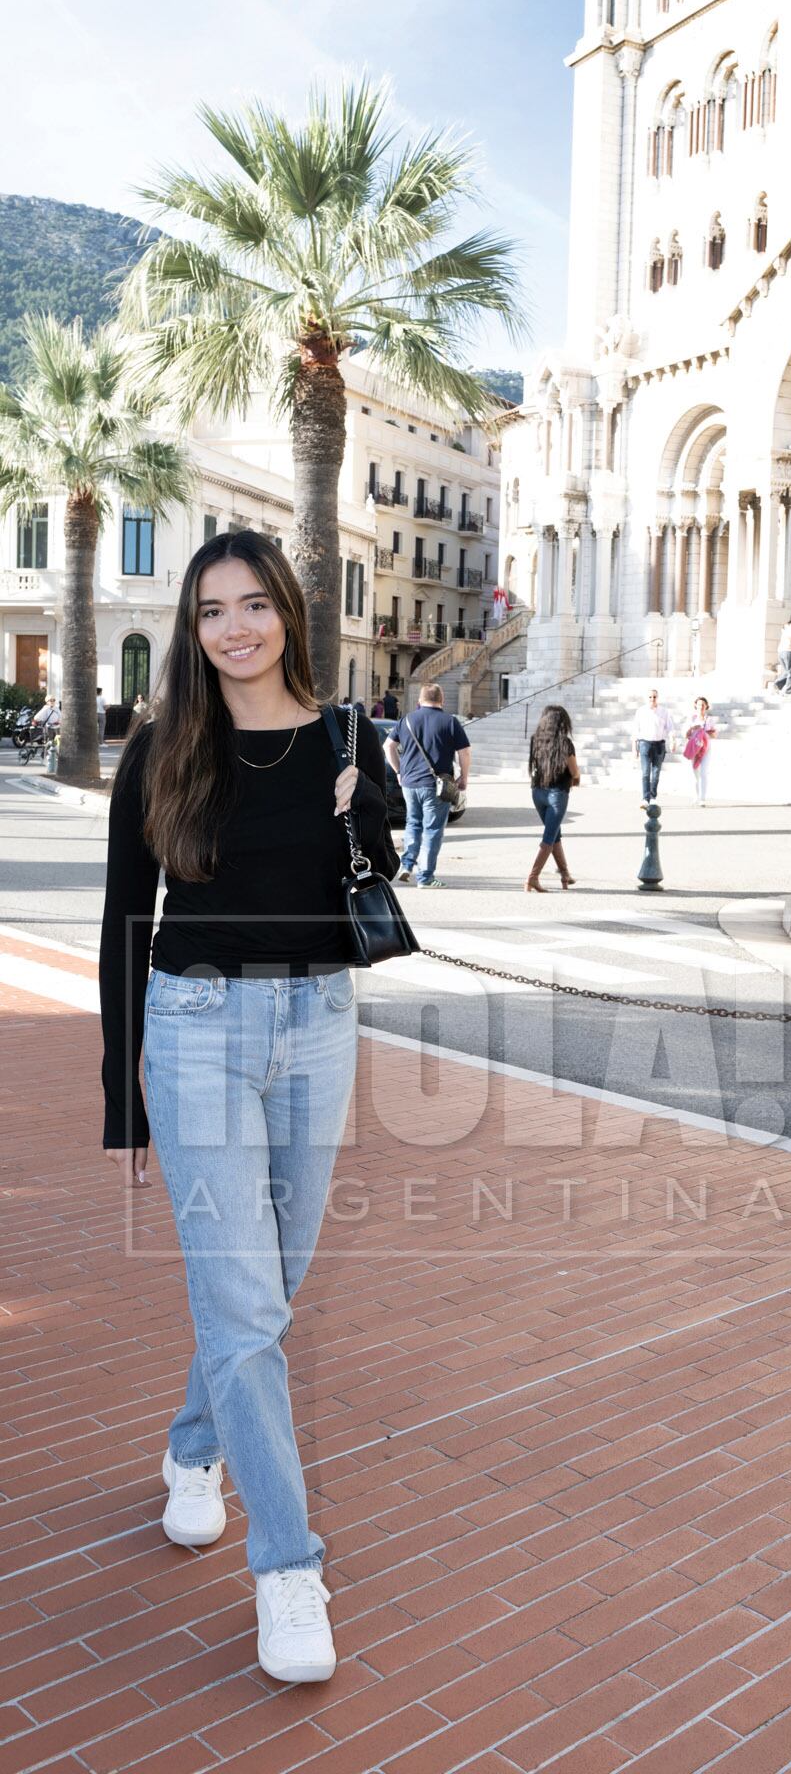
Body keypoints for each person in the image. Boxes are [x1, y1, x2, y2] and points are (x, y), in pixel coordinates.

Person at [98, 528, 398, 1686]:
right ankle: (287, 1565)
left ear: (287, 614)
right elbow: (128, 916)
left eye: (255, 603)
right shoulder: (164, 746)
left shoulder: (343, 733)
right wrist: (125, 1107)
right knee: (243, 1303)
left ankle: (191, 1451)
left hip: (319, 1026)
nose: (236, 626)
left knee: (264, 1295)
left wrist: (363, 801)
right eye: (214, 608)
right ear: (194, 624)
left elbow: (370, 879)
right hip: (194, 1034)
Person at [385, 685, 470, 890]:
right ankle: (425, 877)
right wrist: (463, 778)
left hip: (409, 783)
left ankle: (407, 864)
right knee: (432, 829)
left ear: (419, 701)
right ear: (442, 700)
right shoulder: (450, 721)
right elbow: (464, 753)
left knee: (413, 823)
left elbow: (388, 746)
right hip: (436, 785)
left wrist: (398, 771)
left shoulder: (406, 720)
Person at [527, 705, 579, 890]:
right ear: (563, 723)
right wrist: (577, 779)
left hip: (538, 792)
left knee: (555, 833)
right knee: (549, 836)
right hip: (557, 794)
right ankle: (533, 877)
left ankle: (565, 875)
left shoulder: (536, 740)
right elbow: (574, 771)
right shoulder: (565, 744)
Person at [632, 687, 674, 808]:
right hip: (644, 744)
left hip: (659, 745)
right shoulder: (640, 711)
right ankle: (645, 798)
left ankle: (653, 797)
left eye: (654, 697)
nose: (652, 699)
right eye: (650, 697)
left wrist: (672, 740)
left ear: (657, 698)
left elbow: (670, 727)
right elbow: (635, 730)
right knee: (645, 773)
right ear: (647, 698)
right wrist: (634, 748)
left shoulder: (664, 711)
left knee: (656, 773)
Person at [683, 697, 719, 806]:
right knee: (695, 774)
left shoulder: (709, 720)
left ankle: (703, 798)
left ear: (706, 706)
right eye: (699, 704)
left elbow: (714, 735)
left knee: (703, 773)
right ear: (696, 706)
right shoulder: (692, 719)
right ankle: (696, 796)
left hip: (706, 749)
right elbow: (686, 735)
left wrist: (706, 731)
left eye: (703, 705)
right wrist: (693, 729)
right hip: (694, 748)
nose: (701, 707)